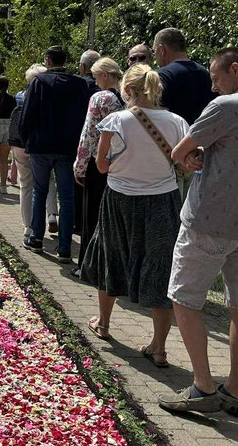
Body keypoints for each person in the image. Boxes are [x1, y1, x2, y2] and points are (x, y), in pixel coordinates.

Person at [157, 48, 238, 416]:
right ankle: (232, 389)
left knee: (184, 299)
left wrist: (189, 159)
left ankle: (202, 387)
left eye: (216, 80)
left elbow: (180, 152)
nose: (214, 90)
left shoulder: (228, 106)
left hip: (209, 220)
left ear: (235, 70)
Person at [80, 63, 188, 368]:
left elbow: (101, 166)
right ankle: (159, 347)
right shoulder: (177, 121)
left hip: (120, 200)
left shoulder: (116, 120)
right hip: (162, 201)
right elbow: (184, 161)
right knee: (159, 263)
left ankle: (103, 322)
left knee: (111, 255)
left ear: (126, 90)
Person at [18, 46, 90, 262]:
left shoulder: (39, 82)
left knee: (39, 192)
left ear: (47, 60)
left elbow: (27, 115)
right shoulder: (79, 84)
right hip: (68, 147)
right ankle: (65, 248)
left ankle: (36, 239)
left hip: (41, 146)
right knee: (67, 197)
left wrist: (26, 141)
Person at [73, 57, 125, 277]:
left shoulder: (100, 98)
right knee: (114, 219)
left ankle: (89, 265)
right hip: (120, 165)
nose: (94, 81)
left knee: (92, 217)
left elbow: (89, 134)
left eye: (95, 77)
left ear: (104, 75)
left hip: (98, 163)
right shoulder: (127, 97)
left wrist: (80, 165)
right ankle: (113, 268)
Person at [153, 28, 216, 201]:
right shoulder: (207, 74)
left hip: (172, 156)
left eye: (154, 51)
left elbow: (156, 118)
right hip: (203, 155)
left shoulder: (161, 77)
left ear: (161, 49)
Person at [9, 65, 41, 235]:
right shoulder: (47, 97)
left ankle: (28, 225)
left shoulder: (20, 96)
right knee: (44, 184)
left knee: (26, 185)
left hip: (20, 143)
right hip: (40, 144)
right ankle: (49, 216)